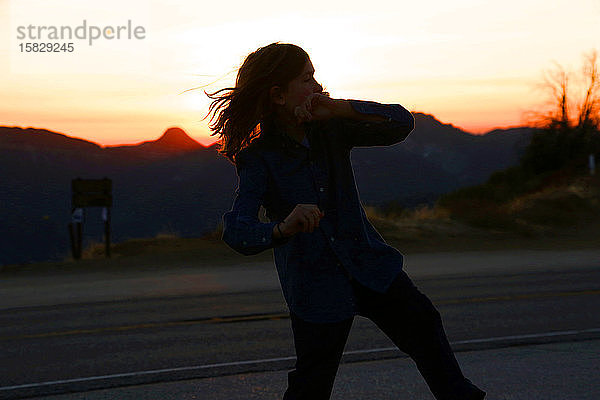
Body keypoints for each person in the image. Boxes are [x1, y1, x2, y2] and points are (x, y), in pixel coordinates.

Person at [207, 42, 486, 400]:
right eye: (307, 80)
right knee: (313, 382)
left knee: (425, 329)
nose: (318, 86)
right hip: (315, 283)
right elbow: (237, 231)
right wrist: (281, 227)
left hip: (370, 265)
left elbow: (401, 123)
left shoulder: (333, 129)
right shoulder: (259, 158)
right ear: (278, 95)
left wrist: (342, 109)